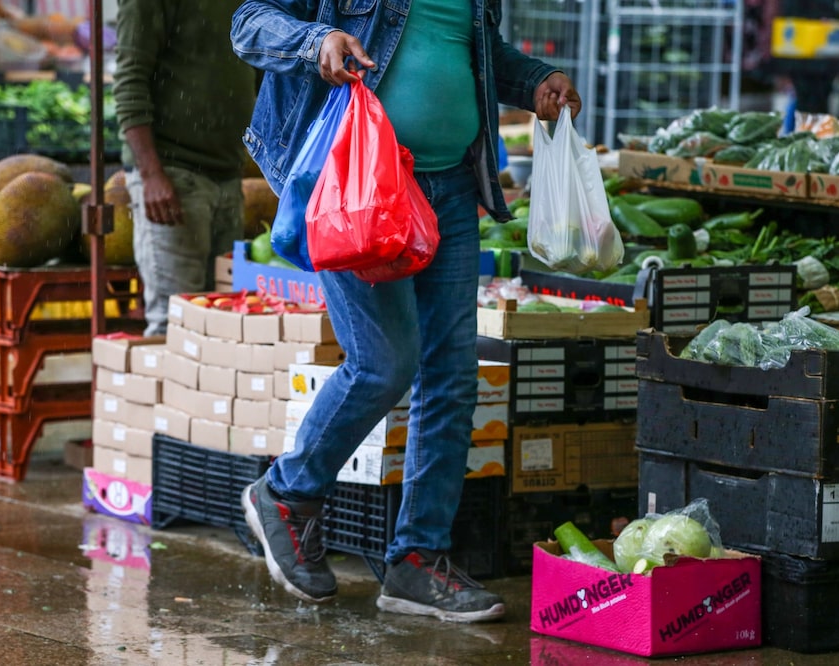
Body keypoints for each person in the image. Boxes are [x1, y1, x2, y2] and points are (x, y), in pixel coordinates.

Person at [231, 0, 581, 623]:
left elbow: (471, 50)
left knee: (451, 377)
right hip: (355, 186)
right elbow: (250, 23)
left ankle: (417, 560)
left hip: (449, 185)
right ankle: (286, 493)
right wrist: (317, 42)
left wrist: (533, 82)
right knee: (384, 362)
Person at [113, 0, 257, 337]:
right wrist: (151, 175)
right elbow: (129, 80)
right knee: (174, 323)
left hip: (227, 173)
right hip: (173, 174)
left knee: (221, 320)